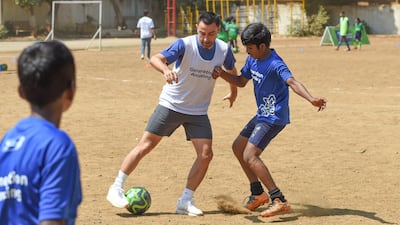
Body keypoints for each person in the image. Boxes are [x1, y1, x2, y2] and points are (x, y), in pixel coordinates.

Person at [107, 11, 238, 216]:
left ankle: (185, 201)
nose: (206, 38)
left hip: (198, 111)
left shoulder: (223, 49)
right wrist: (166, 70)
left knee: (206, 154)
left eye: (211, 34)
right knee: (146, 146)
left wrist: (232, 92)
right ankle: (116, 187)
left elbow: (232, 71)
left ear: (218, 31)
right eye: (202, 33)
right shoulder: (184, 45)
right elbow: (156, 58)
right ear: (197, 28)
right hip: (172, 105)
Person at [212, 23, 327, 217]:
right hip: (262, 114)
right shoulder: (252, 59)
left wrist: (311, 99)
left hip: (274, 117)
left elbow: (292, 82)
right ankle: (257, 193)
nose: (247, 51)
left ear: (262, 46)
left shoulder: (275, 63)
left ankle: (279, 199)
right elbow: (241, 81)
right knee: (238, 147)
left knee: (250, 155)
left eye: (250, 48)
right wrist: (223, 74)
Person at [0, 40, 82, 225]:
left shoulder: (8, 140)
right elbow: (51, 221)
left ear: (21, 92)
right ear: (71, 91)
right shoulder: (57, 145)